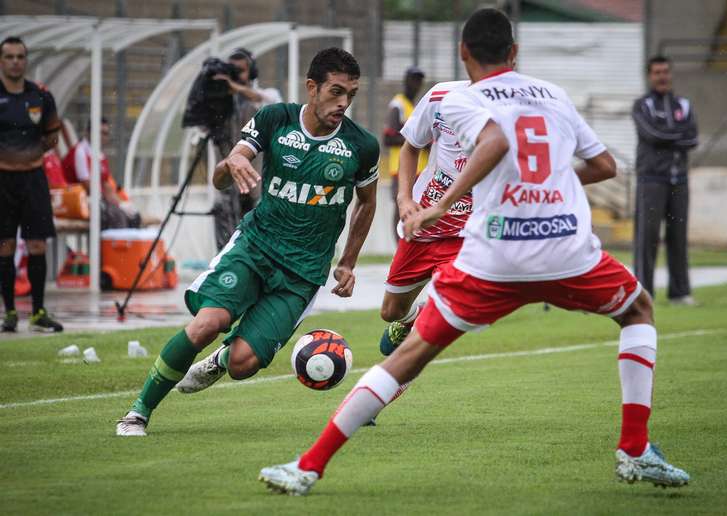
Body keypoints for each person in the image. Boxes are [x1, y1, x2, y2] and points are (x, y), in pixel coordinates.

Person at [259, 9, 690, 495]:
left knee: (410, 354)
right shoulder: (553, 94)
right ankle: (634, 449)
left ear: (464, 53)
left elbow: (496, 141)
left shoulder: (460, 97)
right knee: (638, 311)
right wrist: (547, 180)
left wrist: (438, 204)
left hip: (496, 255)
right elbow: (605, 165)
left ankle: (308, 467)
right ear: (514, 53)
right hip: (567, 248)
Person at [116, 47, 380, 437]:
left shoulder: (362, 145)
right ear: (312, 87)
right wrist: (230, 163)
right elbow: (224, 175)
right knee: (208, 323)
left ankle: (223, 357)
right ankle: (138, 411)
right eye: (335, 91)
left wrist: (348, 262)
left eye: (351, 95)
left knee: (242, 364)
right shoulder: (276, 119)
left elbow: (367, 203)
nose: (343, 103)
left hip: (304, 270)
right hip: (256, 246)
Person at [377, 77, 471, 357]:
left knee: (448, 310)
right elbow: (410, 147)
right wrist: (404, 198)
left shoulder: (510, 107)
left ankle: (407, 360)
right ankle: (410, 319)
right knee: (390, 311)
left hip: (468, 232)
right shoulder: (440, 96)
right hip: (424, 225)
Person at [0, 36, 63, 333]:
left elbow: (52, 135)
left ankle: (38, 312)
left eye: (20, 56)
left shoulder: (40, 96)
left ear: (26, 60)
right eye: (9, 56)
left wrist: (28, 156)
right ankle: (10, 312)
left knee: (37, 244)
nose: (15, 61)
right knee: (5, 246)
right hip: (2, 181)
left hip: (33, 179)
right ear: (1, 61)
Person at [632, 56, 698, 304]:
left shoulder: (684, 105)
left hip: (678, 179)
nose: (662, 76)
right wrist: (676, 135)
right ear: (649, 76)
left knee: (678, 237)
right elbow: (652, 134)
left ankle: (680, 293)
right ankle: (643, 293)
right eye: (657, 72)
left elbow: (693, 139)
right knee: (647, 238)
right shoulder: (642, 105)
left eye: (666, 72)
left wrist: (670, 137)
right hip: (651, 180)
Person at [211, 48, 283, 251]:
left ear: (252, 72)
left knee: (259, 236)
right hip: (229, 182)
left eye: (240, 71)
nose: (236, 76)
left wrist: (237, 88)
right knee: (227, 234)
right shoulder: (223, 104)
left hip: (259, 181)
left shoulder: (266, 95)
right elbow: (201, 129)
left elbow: (270, 102)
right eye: (232, 71)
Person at [62, 118, 141, 229]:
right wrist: (113, 204)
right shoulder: (80, 151)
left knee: (133, 216)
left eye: (106, 133)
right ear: (88, 132)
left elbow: (106, 184)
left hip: (96, 199)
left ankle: (127, 244)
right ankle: (111, 245)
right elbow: (87, 186)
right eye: (100, 132)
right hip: (78, 200)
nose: (103, 137)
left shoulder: (100, 154)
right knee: (116, 216)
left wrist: (121, 203)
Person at [384, 66, 429, 242]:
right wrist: (419, 140)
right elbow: (388, 138)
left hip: (419, 169)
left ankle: (411, 241)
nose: (416, 84)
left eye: (419, 80)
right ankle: (399, 246)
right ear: (405, 81)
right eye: (413, 79)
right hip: (400, 168)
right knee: (401, 207)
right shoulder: (398, 105)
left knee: (417, 208)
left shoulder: (413, 106)